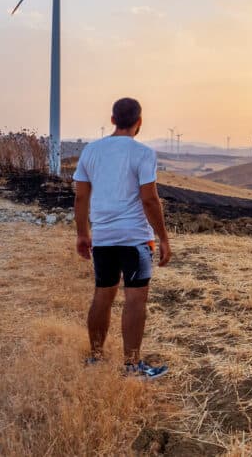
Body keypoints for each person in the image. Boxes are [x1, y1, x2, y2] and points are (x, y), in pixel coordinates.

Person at [74, 97, 172, 378]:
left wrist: (83, 234)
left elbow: (81, 196)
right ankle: (131, 366)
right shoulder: (143, 154)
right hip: (135, 240)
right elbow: (150, 200)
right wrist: (163, 237)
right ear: (139, 122)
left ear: (113, 119)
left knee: (102, 295)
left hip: (103, 238)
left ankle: (95, 358)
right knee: (135, 300)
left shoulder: (91, 152)